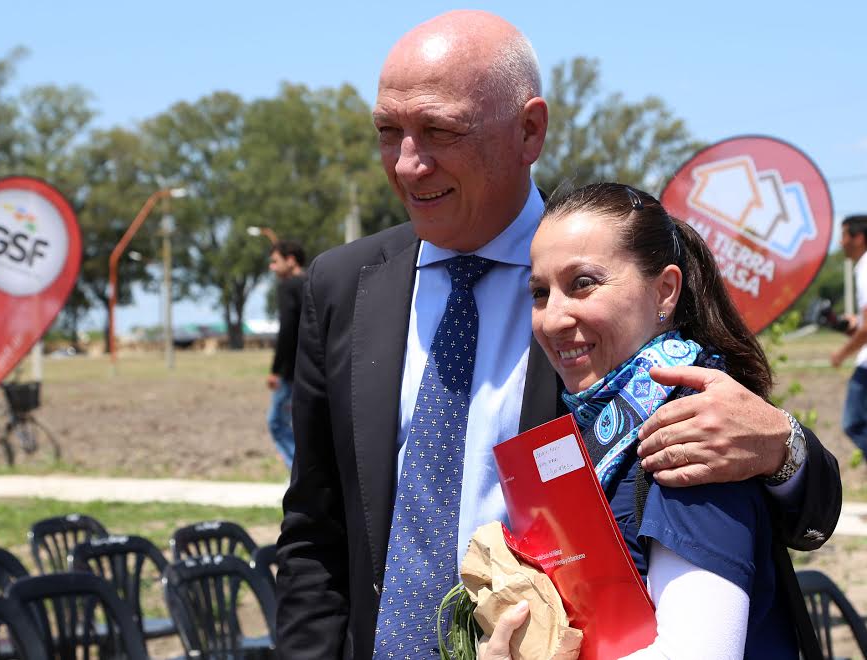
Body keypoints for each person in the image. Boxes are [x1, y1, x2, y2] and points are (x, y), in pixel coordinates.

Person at [275, 10, 841, 659]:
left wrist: (782, 448)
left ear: (528, 128)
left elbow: (755, 508)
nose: (408, 164)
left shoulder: (622, 292)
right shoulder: (342, 286)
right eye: (387, 132)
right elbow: (314, 531)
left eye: (438, 130)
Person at [484, 182, 811, 659]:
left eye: (582, 283)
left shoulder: (696, 428)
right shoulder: (591, 420)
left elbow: (700, 651)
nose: (552, 318)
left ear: (665, 291)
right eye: (539, 291)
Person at [266, 240, 306, 469]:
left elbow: (287, 330)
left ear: (290, 260)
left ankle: (298, 476)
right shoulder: (314, 281)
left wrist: (275, 371)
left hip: (291, 372)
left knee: (276, 423)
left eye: (275, 261)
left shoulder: (289, 286)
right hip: (313, 369)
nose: (271, 268)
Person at [831, 214, 867, 455]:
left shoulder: (865, 267)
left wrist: (840, 354)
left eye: (844, 235)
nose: (840, 242)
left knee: (853, 423)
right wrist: (848, 325)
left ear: (859, 237)